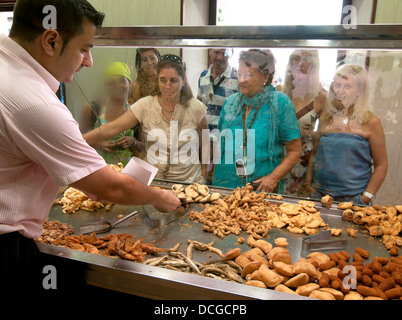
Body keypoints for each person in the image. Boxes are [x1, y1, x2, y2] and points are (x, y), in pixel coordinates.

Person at [0, 0, 180, 298]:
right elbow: (109, 188)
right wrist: (158, 196)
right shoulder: (33, 101)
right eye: (84, 48)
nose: (89, 61)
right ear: (51, 40)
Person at [84, 54, 209, 183]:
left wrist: (204, 172)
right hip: (155, 183)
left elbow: (205, 140)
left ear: (183, 81)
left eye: (174, 81)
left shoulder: (196, 108)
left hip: (190, 182)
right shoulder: (145, 105)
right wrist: (79, 140)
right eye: (162, 80)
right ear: (157, 80)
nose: (167, 86)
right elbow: (112, 127)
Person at [212, 49, 302, 193]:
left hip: (260, 191)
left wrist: (273, 178)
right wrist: (214, 179)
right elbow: (219, 144)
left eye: (248, 75)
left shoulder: (280, 104)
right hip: (225, 187)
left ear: (265, 76)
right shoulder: (230, 104)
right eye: (239, 74)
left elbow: (295, 150)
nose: (241, 80)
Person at [305, 64, 388, 205]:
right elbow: (315, 153)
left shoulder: (371, 122)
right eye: (337, 85)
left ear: (360, 90)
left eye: (348, 86)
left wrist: (365, 197)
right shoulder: (326, 117)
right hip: (319, 197)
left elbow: (381, 165)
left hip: (354, 200)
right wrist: (308, 186)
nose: (340, 91)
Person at [279, 49, 327, 197]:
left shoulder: (321, 97)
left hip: (303, 159)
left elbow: (324, 135)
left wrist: (307, 133)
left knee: (297, 207)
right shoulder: (279, 92)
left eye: (306, 59)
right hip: (278, 153)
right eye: (296, 59)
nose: (300, 64)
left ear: (314, 65)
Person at [81, 61, 143, 166]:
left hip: (126, 172)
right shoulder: (93, 109)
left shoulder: (135, 111)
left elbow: (143, 147)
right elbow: (78, 142)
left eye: (122, 80)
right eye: (112, 82)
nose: (117, 85)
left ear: (130, 84)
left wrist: (133, 142)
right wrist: (98, 144)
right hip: (97, 170)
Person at [197, 48, 239, 184]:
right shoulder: (203, 75)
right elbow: (198, 105)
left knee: (220, 182)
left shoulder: (238, 77)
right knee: (202, 182)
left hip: (224, 142)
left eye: (225, 53)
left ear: (232, 53)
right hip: (202, 140)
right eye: (216, 52)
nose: (220, 57)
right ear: (210, 52)